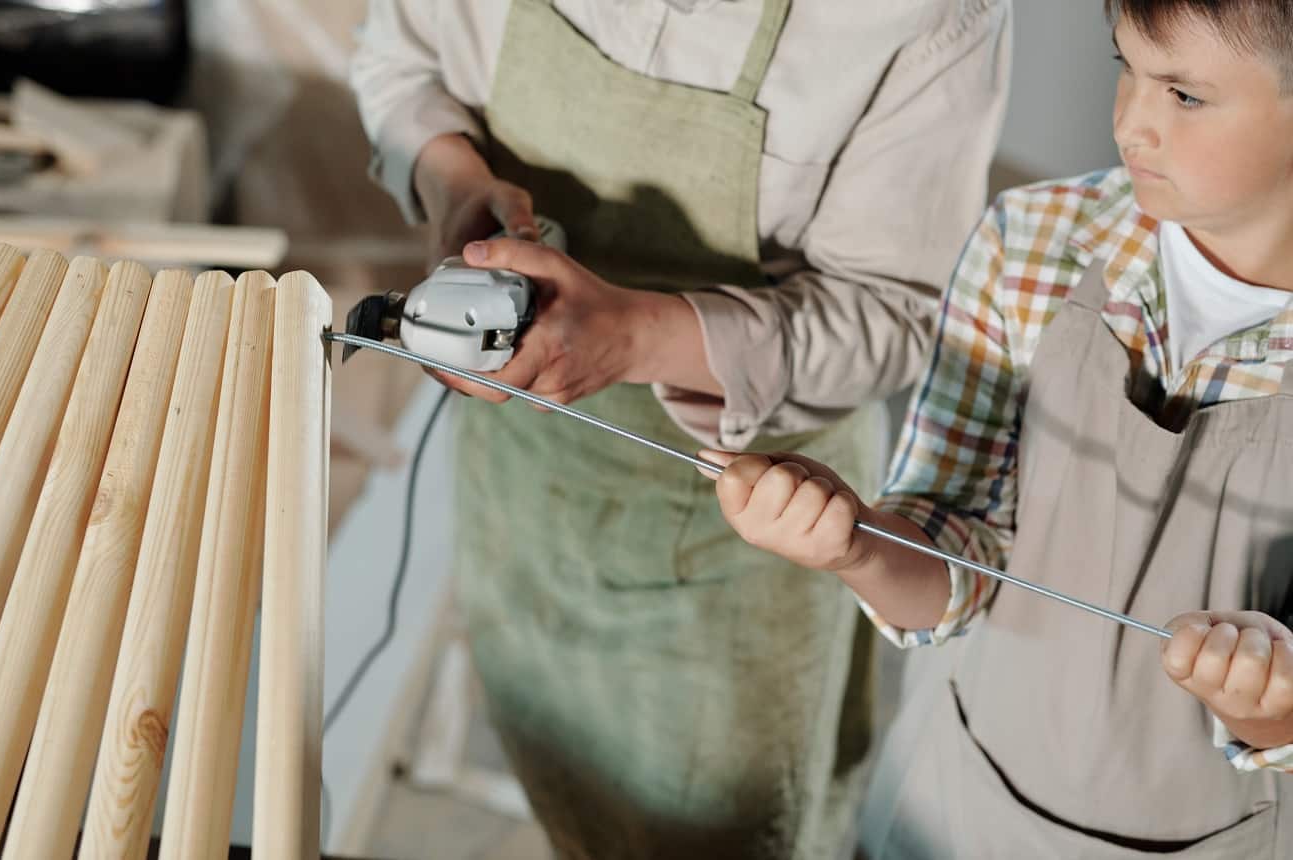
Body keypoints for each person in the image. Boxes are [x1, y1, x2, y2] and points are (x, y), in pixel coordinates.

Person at [352, 2, 1009, 857]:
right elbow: (397, 60)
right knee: (573, 797)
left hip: (744, 529)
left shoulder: (921, 19)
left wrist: (634, 334)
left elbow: (897, 317)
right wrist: (457, 187)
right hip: (524, 487)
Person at [706, 0, 1293, 855]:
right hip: (957, 803)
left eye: (1185, 95)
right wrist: (856, 545)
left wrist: (1271, 711)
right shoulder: (1035, 242)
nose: (1132, 121)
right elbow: (958, 554)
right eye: (1125, 65)